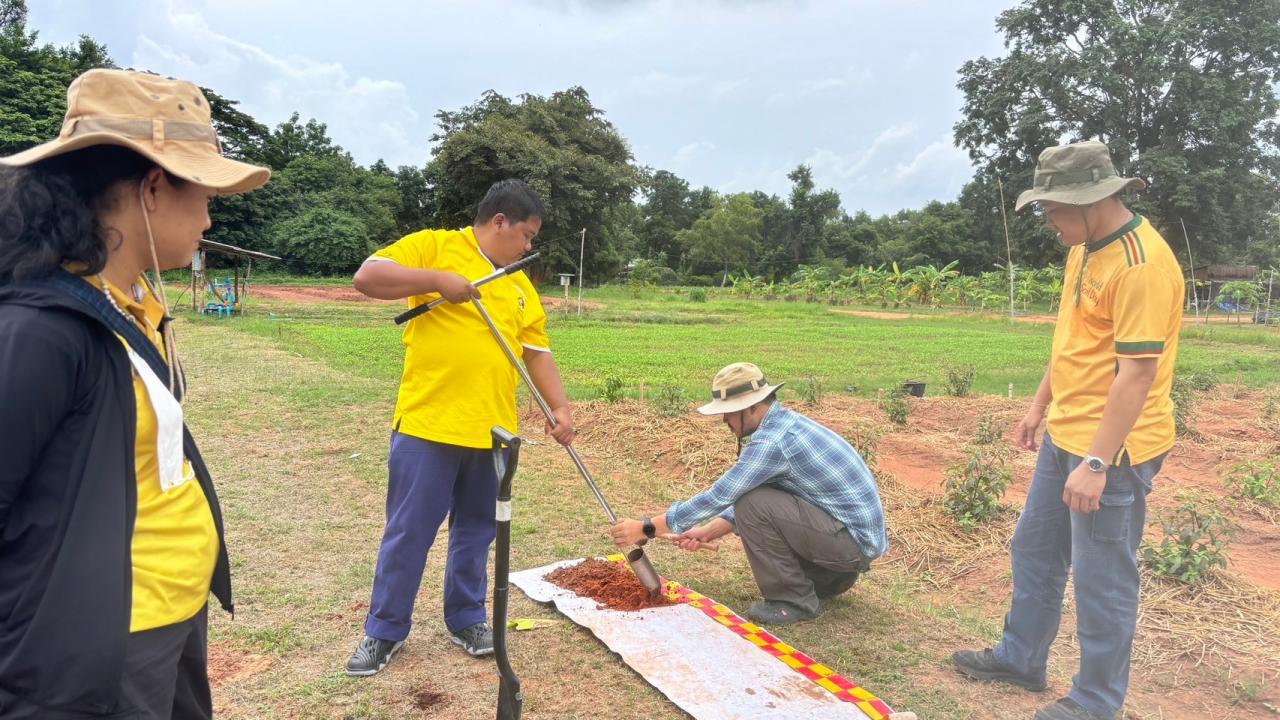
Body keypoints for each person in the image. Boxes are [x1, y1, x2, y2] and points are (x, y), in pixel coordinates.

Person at [0, 69, 271, 719]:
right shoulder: (41, 332)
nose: (209, 217)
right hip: (101, 648)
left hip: (169, 616)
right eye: (204, 195)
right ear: (152, 187)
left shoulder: (132, 302)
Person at [951, 141, 1184, 720]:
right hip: (1066, 435)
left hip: (1114, 451)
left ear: (1089, 200)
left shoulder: (1140, 267)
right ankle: (1021, 657)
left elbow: (1137, 373)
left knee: (1102, 580)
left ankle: (1096, 701)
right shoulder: (1085, 249)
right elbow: (1074, 342)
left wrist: (1098, 464)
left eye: (1053, 208)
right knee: (1034, 548)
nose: (1049, 221)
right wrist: (1038, 406)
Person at [345, 179, 575, 675]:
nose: (529, 246)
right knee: (408, 533)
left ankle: (466, 617)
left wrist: (560, 406)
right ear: (499, 223)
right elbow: (368, 277)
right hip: (428, 426)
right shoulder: (435, 246)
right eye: (527, 235)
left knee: (477, 532)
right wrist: (438, 280)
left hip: (493, 434)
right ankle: (383, 631)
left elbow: (537, 352)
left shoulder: (517, 284)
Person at [611, 362, 887, 625]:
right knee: (755, 499)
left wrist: (647, 527)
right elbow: (762, 495)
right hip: (848, 543)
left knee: (753, 502)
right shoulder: (785, 425)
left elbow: (720, 496)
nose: (724, 420)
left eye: (729, 412)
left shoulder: (773, 442)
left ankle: (792, 601)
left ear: (751, 408)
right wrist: (706, 532)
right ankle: (823, 579)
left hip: (852, 546)